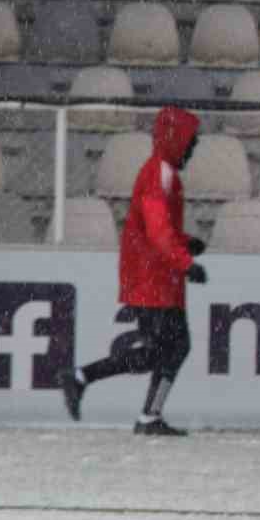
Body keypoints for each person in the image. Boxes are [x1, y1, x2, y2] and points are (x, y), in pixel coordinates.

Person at [59, 106, 207, 436]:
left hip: (154, 277)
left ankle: (97, 385)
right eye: (190, 143)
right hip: (154, 280)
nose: (193, 150)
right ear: (176, 141)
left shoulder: (160, 172)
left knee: (165, 350)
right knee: (170, 349)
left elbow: (156, 228)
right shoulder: (160, 176)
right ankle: (117, 397)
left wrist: (184, 243)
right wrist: (186, 262)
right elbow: (156, 231)